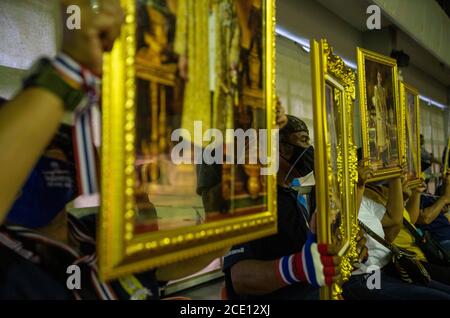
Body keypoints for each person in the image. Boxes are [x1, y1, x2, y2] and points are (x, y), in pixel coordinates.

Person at [0, 0, 226, 299]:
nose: (53, 156)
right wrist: (70, 69)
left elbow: (205, 249)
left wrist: (251, 145)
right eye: (33, 147)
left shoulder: (98, 234)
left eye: (58, 145)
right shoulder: (9, 267)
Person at [222, 115, 367, 300]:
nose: (309, 150)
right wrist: (297, 267)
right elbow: (240, 279)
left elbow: (313, 251)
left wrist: (346, 244)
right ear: (279, 148)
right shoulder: (251, 199)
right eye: (303, 140)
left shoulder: (290, 196)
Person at [342, 153, 450, 299]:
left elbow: (394, 221)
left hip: (390, 266)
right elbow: (346, 228)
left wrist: (395, 179)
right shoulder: (338, 202)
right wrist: (359, 187)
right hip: (366, 276)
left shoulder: (368, 199)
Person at [417, 170, 450, 256]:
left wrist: (447, 184)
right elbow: (425, 218)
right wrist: (444, 198)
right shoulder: (412, 197)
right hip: (440, 241)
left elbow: (445, 206)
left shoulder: (426, 196)